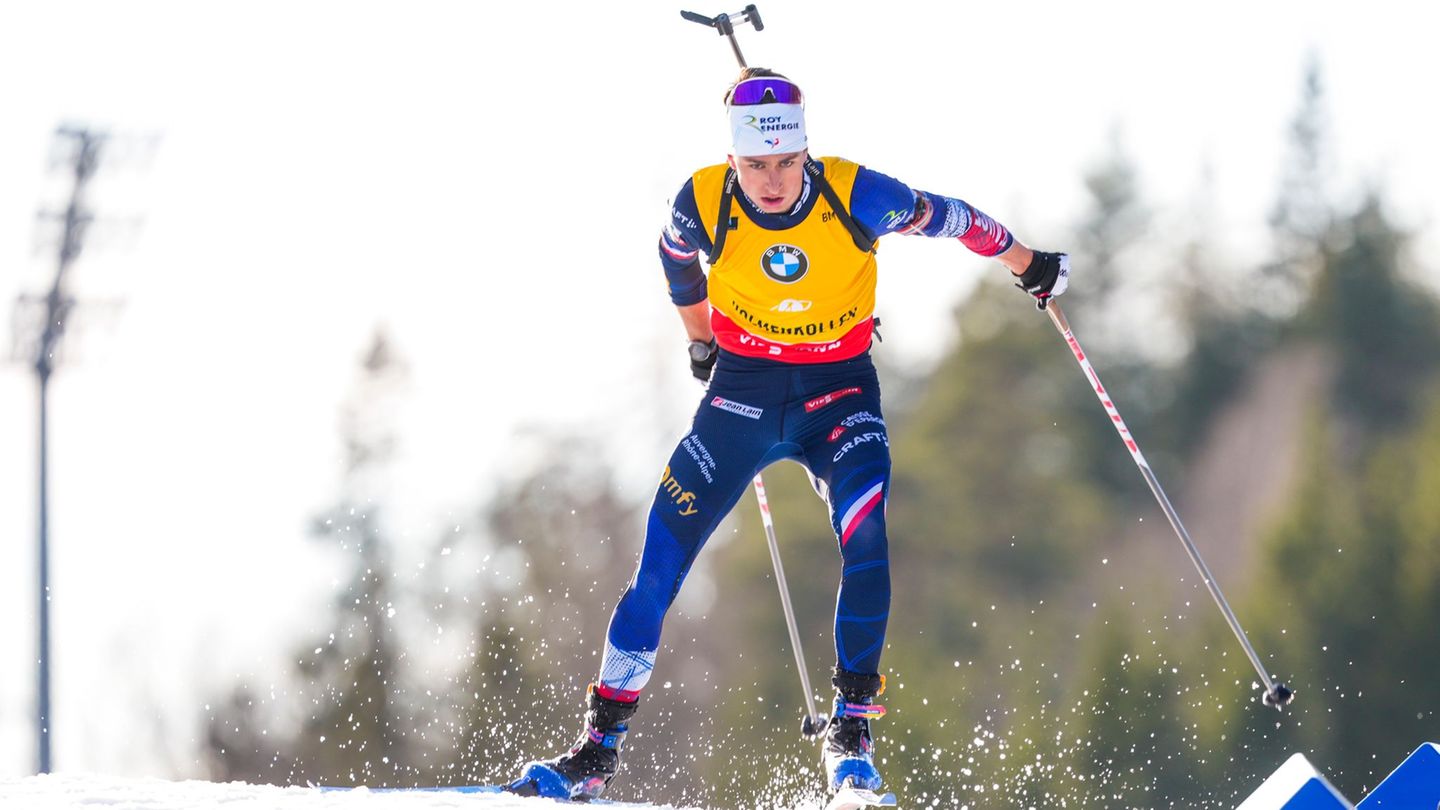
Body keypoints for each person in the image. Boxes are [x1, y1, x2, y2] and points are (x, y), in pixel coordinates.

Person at [505, 67, 1070, 801]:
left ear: (805, 152)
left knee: (866, 537)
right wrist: (700, 337)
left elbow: (953, 216)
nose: (771, 182)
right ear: (733, 159)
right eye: (754, 166)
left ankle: (852, 733)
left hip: (839, 399)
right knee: (657, 567)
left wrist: (1029, 264)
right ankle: (595, 752)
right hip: (740, 398)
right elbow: (675, 259)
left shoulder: (856, 194)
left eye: (784, 163)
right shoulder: (703, 200)